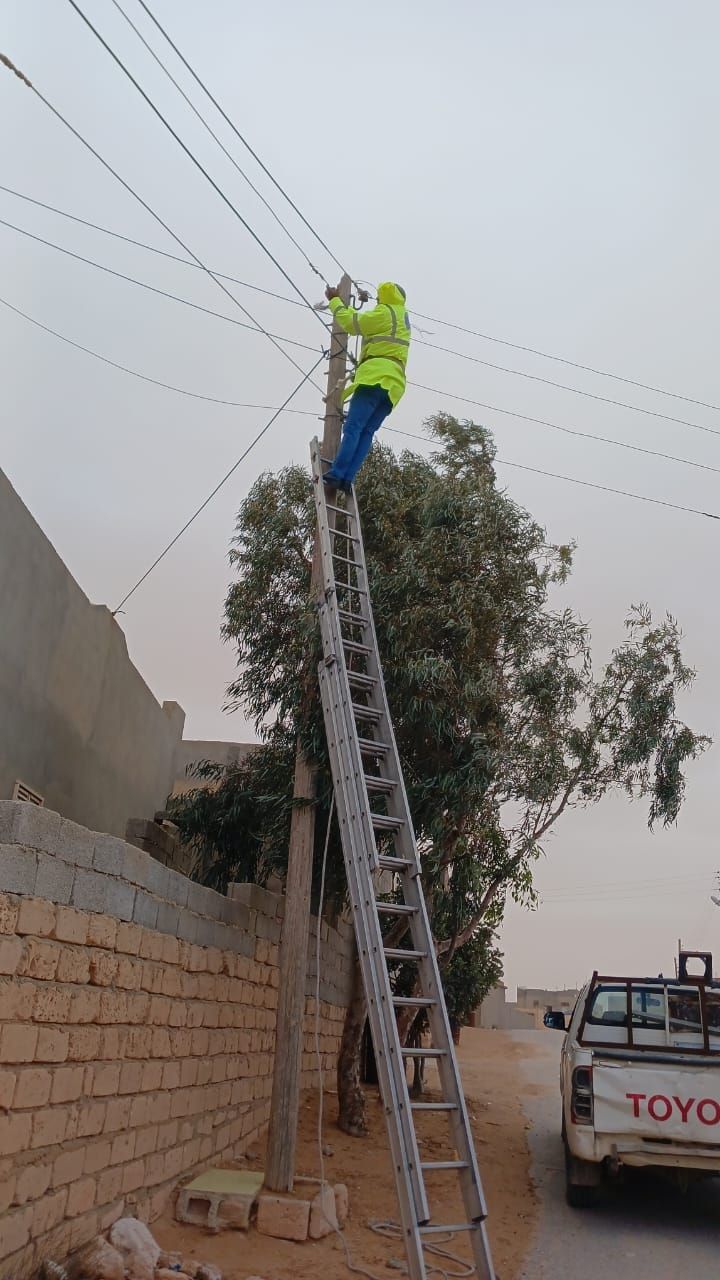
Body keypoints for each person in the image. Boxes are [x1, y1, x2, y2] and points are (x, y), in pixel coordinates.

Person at [322, 281, 411, 492]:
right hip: (394, 384)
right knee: (367, 431)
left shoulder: (384, 312)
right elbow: (367, 322)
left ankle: (337, 473)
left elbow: (352, 323)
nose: (377, 300)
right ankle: (346, 478)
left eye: (379, 297)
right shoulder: (401, 317)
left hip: (375, 377)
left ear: (385, 296)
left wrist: (335, 300)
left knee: (353, 427)